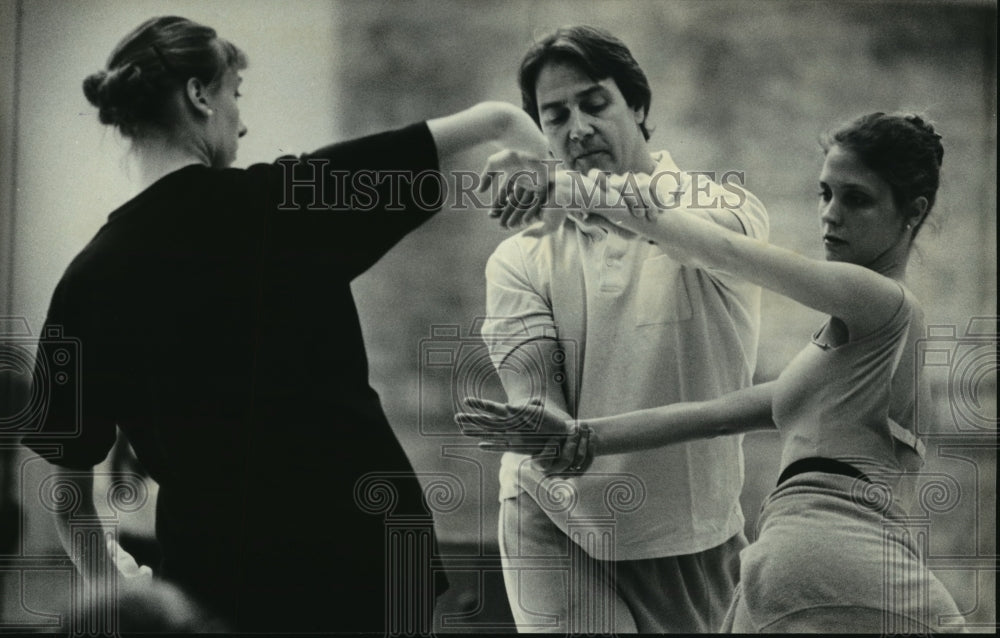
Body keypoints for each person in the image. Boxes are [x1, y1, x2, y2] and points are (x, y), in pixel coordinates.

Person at [18, 15, 550, 633]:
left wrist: (110, 585)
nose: (240, 123)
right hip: (366, 553)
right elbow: (491, 121)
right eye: (234, 94)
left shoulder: (87, 279)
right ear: (198, 95)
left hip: (218, 580)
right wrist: (533, 153)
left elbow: (67, 494)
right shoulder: (285, 202)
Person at [460, 112, 968, 633]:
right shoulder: (837, 360)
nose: (830, 216)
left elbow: (721, 251)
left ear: (913, 213)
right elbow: (713, 415)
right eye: (824, 194)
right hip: (826, 556)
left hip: (785, 567)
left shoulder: (884, 304)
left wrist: (564, 183)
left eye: (856, 199)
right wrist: (578, 436)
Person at [473, 25, 769, 633]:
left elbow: (685, 232)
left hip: (693, 532)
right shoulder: (521, 256)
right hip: (552, 521)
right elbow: (532, 385)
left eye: (594, 103)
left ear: (636, 104)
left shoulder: (722, 207)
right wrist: (544, 425)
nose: (577, 128)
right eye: (554, 116)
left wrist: (563, 185)